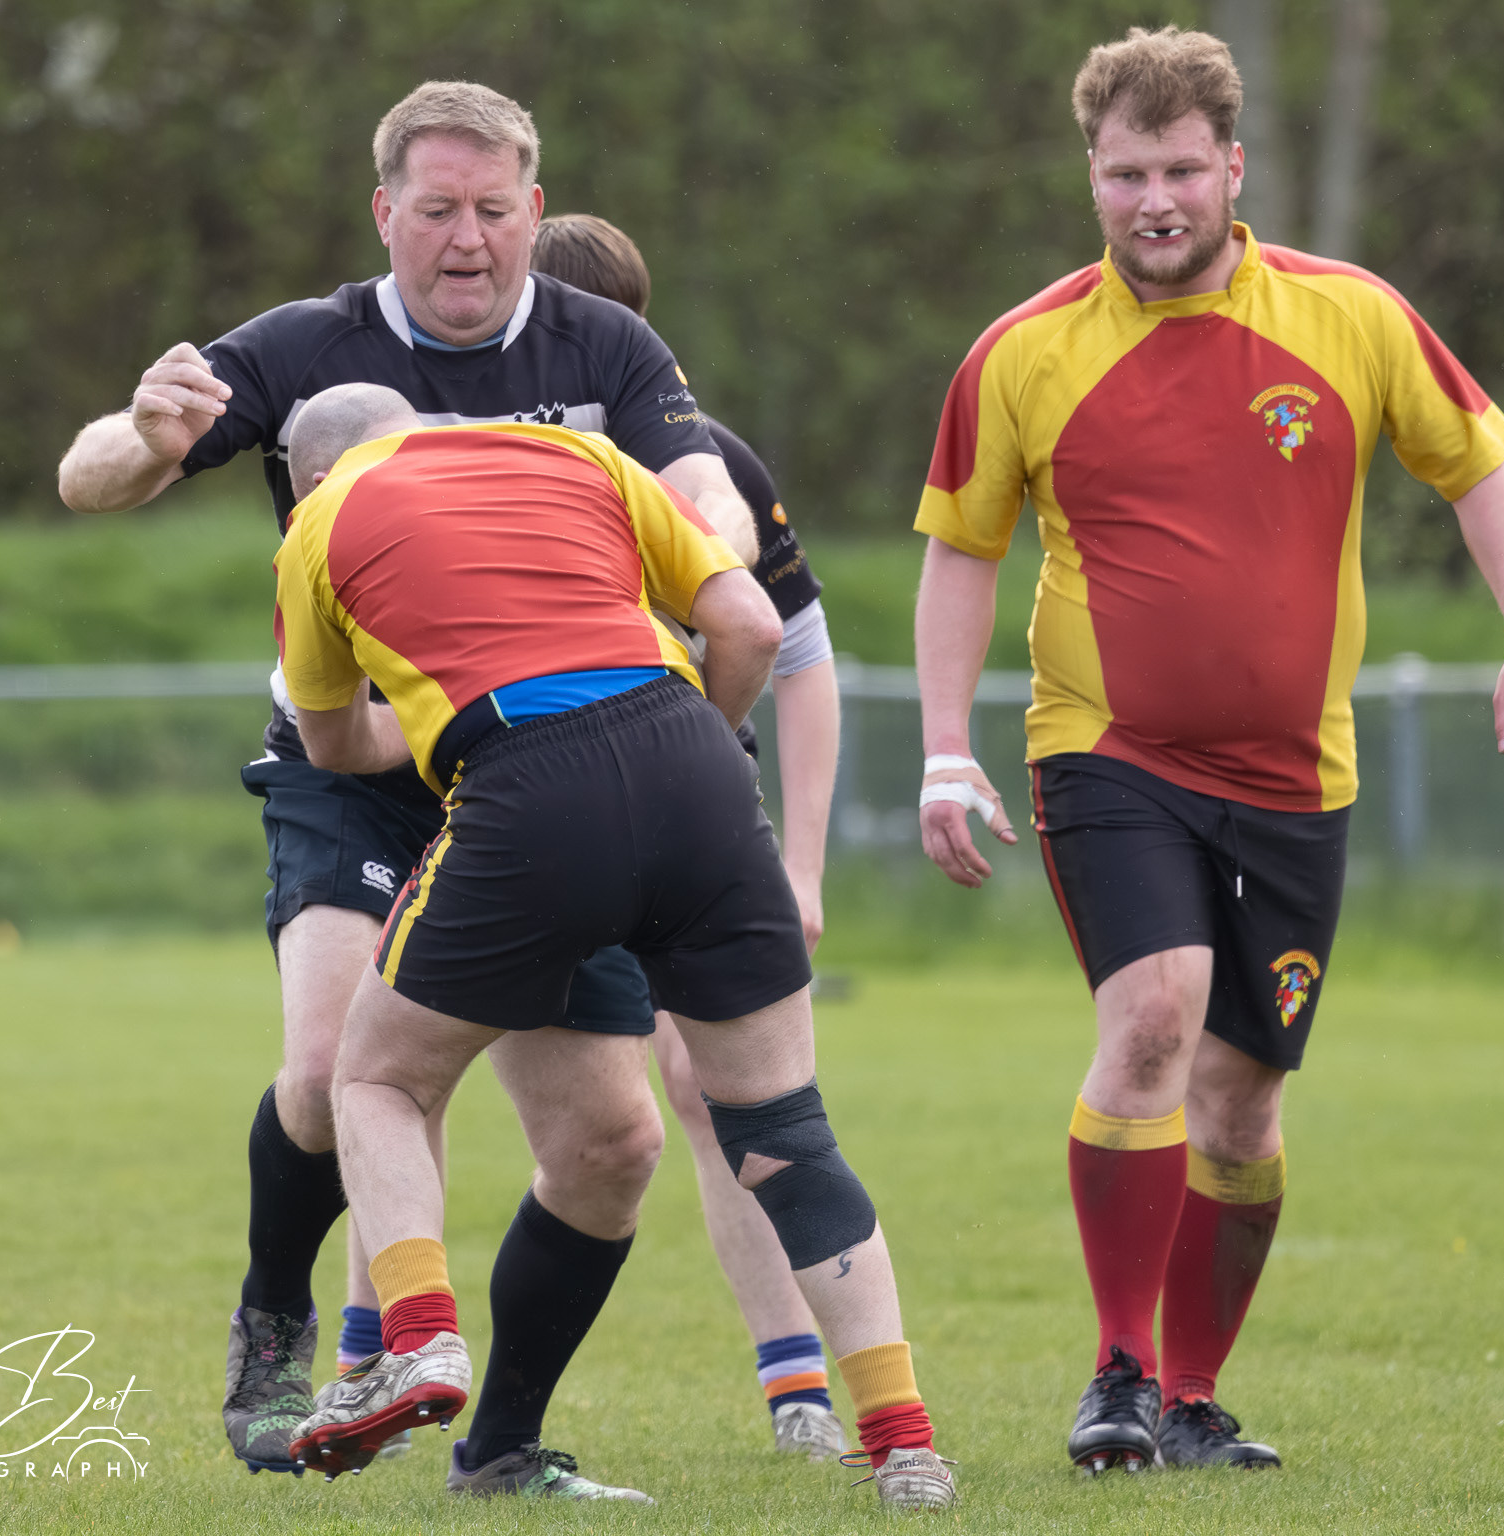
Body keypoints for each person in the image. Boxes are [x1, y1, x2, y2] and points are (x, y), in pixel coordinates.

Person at [56, 80, 767, 1494]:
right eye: (437, 210)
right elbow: (89, 480)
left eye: (494, 211)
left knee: (612, 1144)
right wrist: (145, 433)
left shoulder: (603, 345)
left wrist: (704, 553)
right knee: (335, 1072)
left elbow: (711, 496)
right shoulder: (307, 346)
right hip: (356, 764)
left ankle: (500, 1452)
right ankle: (276, 1315)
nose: (466, 239)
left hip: (549, 766)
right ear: (385, 213)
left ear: (534, 213)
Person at [910, 25, 1504, 1475]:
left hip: (1295, 777)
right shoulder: (1022, 352)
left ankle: (1194, 1398)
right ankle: (1119, 1374)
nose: (1155, 200)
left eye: (1180, 170)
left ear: (1233, 168)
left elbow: (1483, 472)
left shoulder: (1353, 316)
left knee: (1242, 1102)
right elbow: (962, 551)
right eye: (1126, 173)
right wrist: (945, 749)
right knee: (1154, 1018)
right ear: (1092, 177)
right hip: (1108, 751)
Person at [269, 386, 955, 1511]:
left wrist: (442, 719)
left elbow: (332, 742)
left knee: (378, 1078)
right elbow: (751, 628)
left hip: (523, 787)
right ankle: (905, 1446)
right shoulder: (577, 455)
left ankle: (419, 1339)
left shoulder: (319, 520)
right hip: (699, 767)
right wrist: (694, 755)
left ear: (307, 476)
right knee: (786, 1134)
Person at [530, 212, 847, 1459]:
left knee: (722, 1095)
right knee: (404, 1071)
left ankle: (800, 1389)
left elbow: (799, 656)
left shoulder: (710, 465)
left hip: (690, 808)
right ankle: (376, 1357)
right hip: (517, 806)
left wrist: (802, 866)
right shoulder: (477, 463)